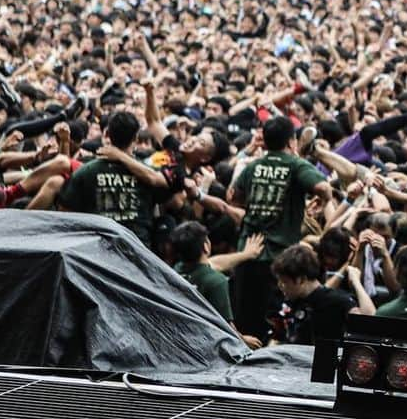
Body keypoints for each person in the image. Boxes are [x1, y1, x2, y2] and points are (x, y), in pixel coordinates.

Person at [228, 116, 332, 341]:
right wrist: (322, 202)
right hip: (279, 259)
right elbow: (324, 188)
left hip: (247, 253)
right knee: (274, 325)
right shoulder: (295, 164)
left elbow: (233, 197)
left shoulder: (253, 166)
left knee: (245, 325)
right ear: (292, 140)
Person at [58, 111, 167, 244]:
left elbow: (65, 212)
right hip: (137, 251)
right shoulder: (148, 173)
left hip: (96, 250)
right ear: (136, 138)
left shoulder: (86, 171)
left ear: (107, 134)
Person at [170, 220, 265, 348]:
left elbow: (213, 263)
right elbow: (226, 327)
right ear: (206, 246)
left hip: (176, 338)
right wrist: (243, 340)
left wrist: (246, 254)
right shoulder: (216, 282)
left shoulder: (174, 271)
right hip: (204, 344)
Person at [270, 243, 357, 345]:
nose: (280, 285)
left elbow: (366, 324)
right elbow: (277, 339)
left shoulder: (340, 301)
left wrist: (356, 282)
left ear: (301, 279)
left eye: (284, 282)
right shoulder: (290, 302)